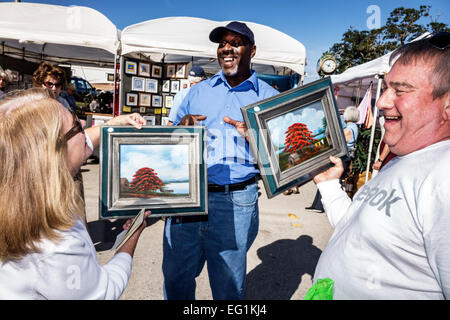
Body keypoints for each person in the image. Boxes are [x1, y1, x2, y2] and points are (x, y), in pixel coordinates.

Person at [310, 31, 450, 299]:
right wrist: (329, 185)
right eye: (386, 88)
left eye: (401, 89)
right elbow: (355, 231)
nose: (383, 101)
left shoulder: (445, 174)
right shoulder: (404, 158)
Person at [163, 21, 279, 300]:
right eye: (222, 43)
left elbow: (280, 159)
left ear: (252, 50)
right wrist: (182, 127)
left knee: (227, 286)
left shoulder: (269, 98)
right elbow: (171, 144)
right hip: (188, 198)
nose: (227, 48)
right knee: (176, 278)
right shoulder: (196, 92)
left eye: (235, 42)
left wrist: (253, 137)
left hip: (236, 201)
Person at [0, 88, 150, 299]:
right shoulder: (59, 243)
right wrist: (131, 238)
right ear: (55, 153)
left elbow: (82, 143)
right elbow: (104, 292)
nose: (85, 129)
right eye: (78, 126)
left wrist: (113, 124)